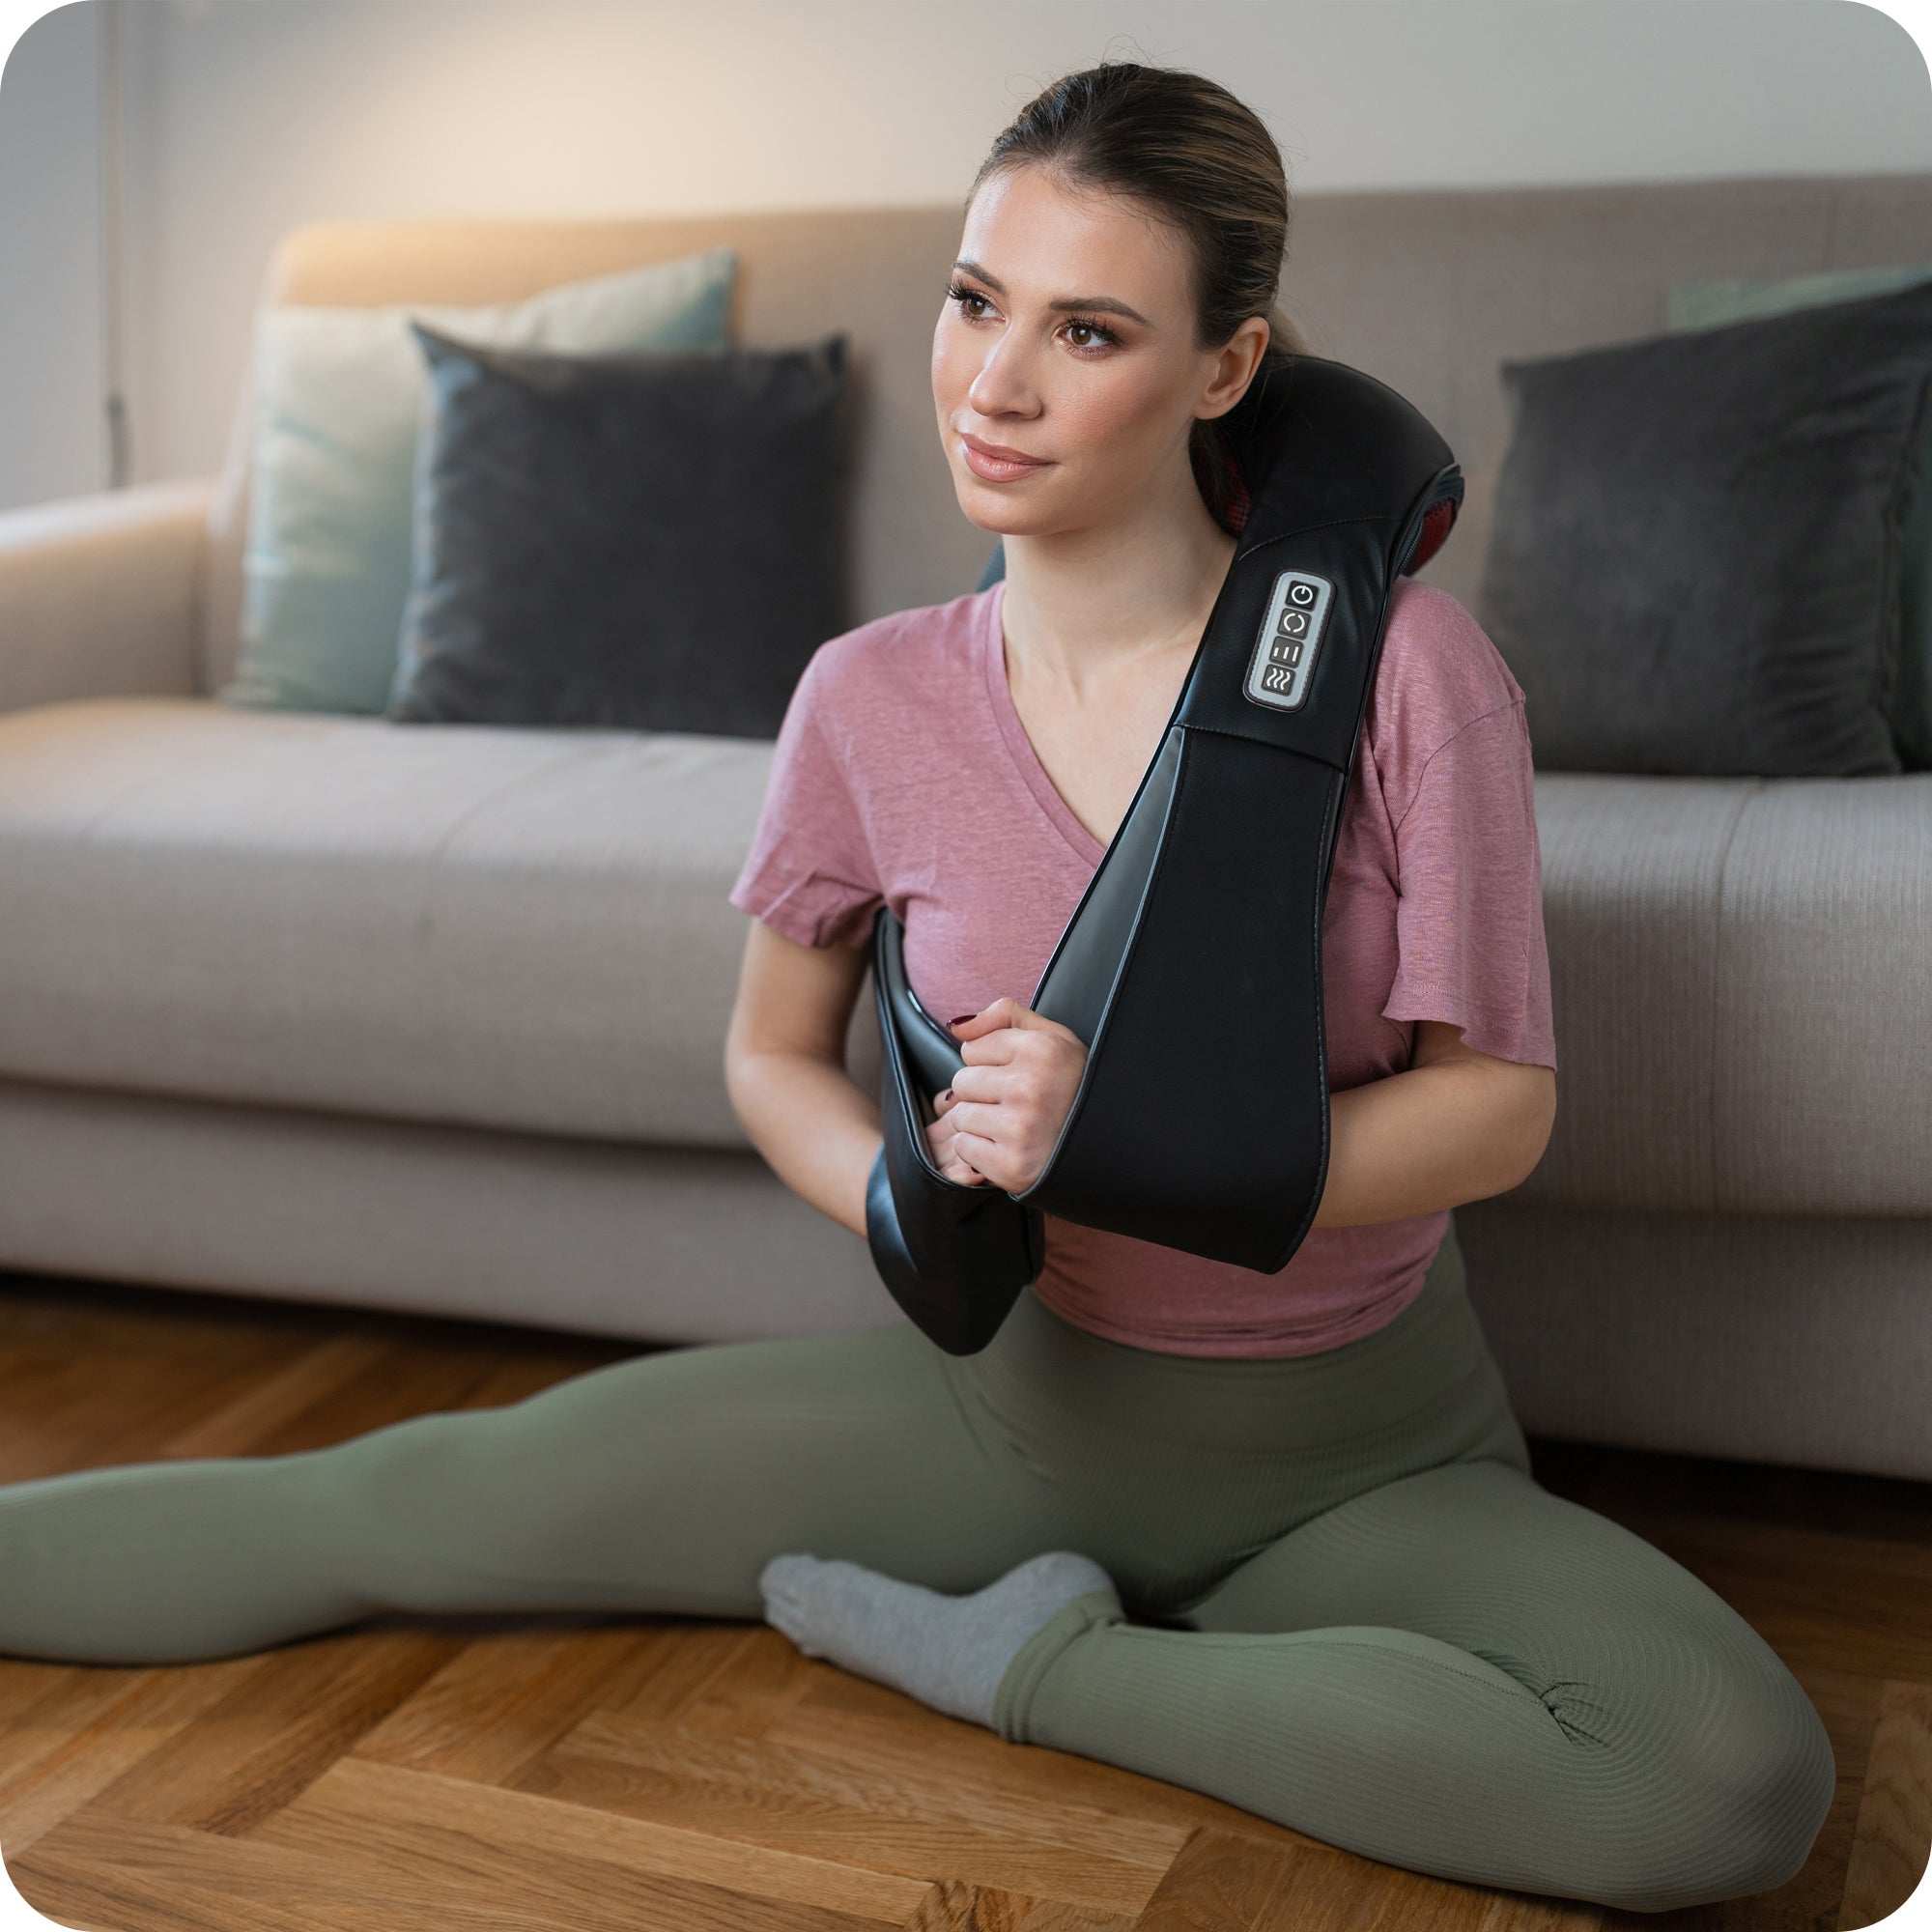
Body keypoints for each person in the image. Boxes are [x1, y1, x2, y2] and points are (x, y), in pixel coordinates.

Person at [0, 61, 1833, 1914]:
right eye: (975, 302)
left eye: (1087, 329)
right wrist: (909, 1183)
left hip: (1366, 1451)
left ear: (1224, 368)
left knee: (1724, 1787)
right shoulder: (871, 698)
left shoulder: (1412, 676)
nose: (995, 384)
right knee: (398, 1504)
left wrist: (1132, 1139)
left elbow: (1498, 1110)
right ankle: (1058, 1613)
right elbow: (772, 1055)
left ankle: (1027, 1668)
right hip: (1002, 1416)